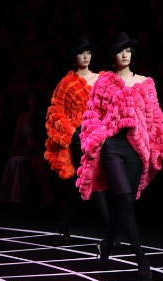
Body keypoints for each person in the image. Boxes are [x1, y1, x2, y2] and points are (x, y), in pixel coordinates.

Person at [76, 32, 163, 279]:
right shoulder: (104, 82)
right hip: (112, 146)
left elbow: (156, 120)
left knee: (125, 203)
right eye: (119, 50)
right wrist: (96, 140)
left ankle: (104, 248)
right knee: (124, 201)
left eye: (128, 50)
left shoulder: (146, 83)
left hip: (137, 149)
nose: (125, 54)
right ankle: (141, 260)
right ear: (112, 57)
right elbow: (92, 114)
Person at [44, 36, 121, 246]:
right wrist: (72, 132)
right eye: (81, 53)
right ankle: (110, 231)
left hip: (98, 135)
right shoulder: (66, 83)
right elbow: (55, 112)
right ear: (73, 57)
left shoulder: (100, 78)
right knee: (93, 177)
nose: (86, 57)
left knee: (83, 183)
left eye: (88, 52)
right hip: (79, 137)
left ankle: (65, 222)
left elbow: (111, 104)